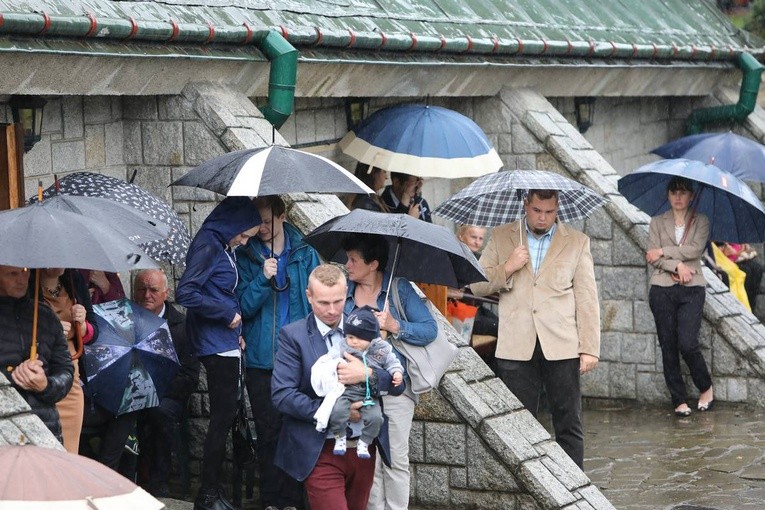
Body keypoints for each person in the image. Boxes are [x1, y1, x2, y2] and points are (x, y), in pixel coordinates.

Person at [469, 189, 600, 470]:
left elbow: (587, 297)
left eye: (550, 212)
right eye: (537, 210)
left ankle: (572, 486)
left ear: (558, 208)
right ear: (526, 205)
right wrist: (508, 266)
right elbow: (477, 284)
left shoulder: (577, 242)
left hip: (562, 344)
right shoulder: (503, 236)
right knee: (519, 423)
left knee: (568, 421)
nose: (543, 218)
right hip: (516, 344)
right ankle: (526, 486)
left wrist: (589, 348)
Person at [272, 264, 405, 510]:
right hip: (319, 449)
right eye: (323, 303)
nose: (332, 310)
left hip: (363, 449)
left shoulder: (364, 324)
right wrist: (335, 411)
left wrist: (369, 374)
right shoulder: (293, 336)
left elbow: (398, 385)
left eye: (339, 301)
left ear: (347, 294)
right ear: (308, 296)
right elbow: (283, 396)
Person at [176, 196, 262, 510]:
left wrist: (235, 332)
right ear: (232, 223)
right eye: (243, 233)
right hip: (215, 343)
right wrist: (225, 316)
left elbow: (219, 291)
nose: (243, 240)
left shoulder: (221, 244)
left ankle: (214, 492)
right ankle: (208, 495)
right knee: (221, 421)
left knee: (225, 419)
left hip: (225, 340)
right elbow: (186, 291)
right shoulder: (209, 245)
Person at [341, 233, 437, 510]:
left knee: (394, 458)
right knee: (366, 458)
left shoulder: (399, 289)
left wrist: (395, 326)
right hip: (359, 390)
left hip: (396, 387)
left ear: (373, 264)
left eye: (353, 260)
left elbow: (429, 329)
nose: (347, 265)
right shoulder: (345, 291)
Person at [236, 195, 320, 510]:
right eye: (257, 223)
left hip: (299, 359)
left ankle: (293, 501)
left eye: (268, 222)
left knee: (296, 431)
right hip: (262, 359)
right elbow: (242, 307)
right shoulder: (246, 256)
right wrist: (262, 278)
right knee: (269, 432)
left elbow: (320, 301)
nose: (262, 230)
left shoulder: (305, 253)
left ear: (282, 215)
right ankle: (271, 500)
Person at [646, 177, 713, 417]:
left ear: (691, 196)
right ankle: (679, 399)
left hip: (692, 288)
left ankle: (705, 387)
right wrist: (678, 267)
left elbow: (695, 249)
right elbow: (652, 257)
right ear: (668, 195)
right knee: (668, 345)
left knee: (687, 342)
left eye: (683, 192)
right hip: (662, 288)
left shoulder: (701, 221)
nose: (677, 196)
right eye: (673, 191)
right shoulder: (656, 222)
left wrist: (665, 251)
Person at [134, 269, 200, 497]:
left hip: (168, 397)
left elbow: (190, 376)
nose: (147, 295)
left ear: (165, 292)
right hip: (132, 393)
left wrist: (154, 390)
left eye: (153, 290)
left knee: (158, 412)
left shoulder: (181, 325)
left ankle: (157, 481)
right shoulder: (127, 321)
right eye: (141, 289)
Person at [312, 305, 403, 459]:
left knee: (376, 418)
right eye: (350, 337)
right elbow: (329, 359)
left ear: (371, 337)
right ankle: (339, 437)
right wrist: (333, 366)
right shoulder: (343, 345)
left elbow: (393, 363)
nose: (353, 342)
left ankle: (365, 441)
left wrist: (397, 373)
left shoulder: (382, 348)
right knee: (338, 411)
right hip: (346, 391)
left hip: (368, 394)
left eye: (359, 338)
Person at [0, 265, 73, 442]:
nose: (22, 280)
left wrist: (46, 385)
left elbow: (66, 371)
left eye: (26, 271)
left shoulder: (45, 316)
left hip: (45, 429)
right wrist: (11, 377)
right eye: (12, 274)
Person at [35, 268, 97, 454]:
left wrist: (84, 325)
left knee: (69, 453)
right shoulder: (28, 280)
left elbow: (94, 332)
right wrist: (48, 330)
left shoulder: (74, 277)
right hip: (41, 375)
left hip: (71, 382)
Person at [719, 242, 763, 310]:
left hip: (738, 254)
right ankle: (745, 306)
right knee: (745, 272)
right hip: (724, 259)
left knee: (757, 269)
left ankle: (751, 304)